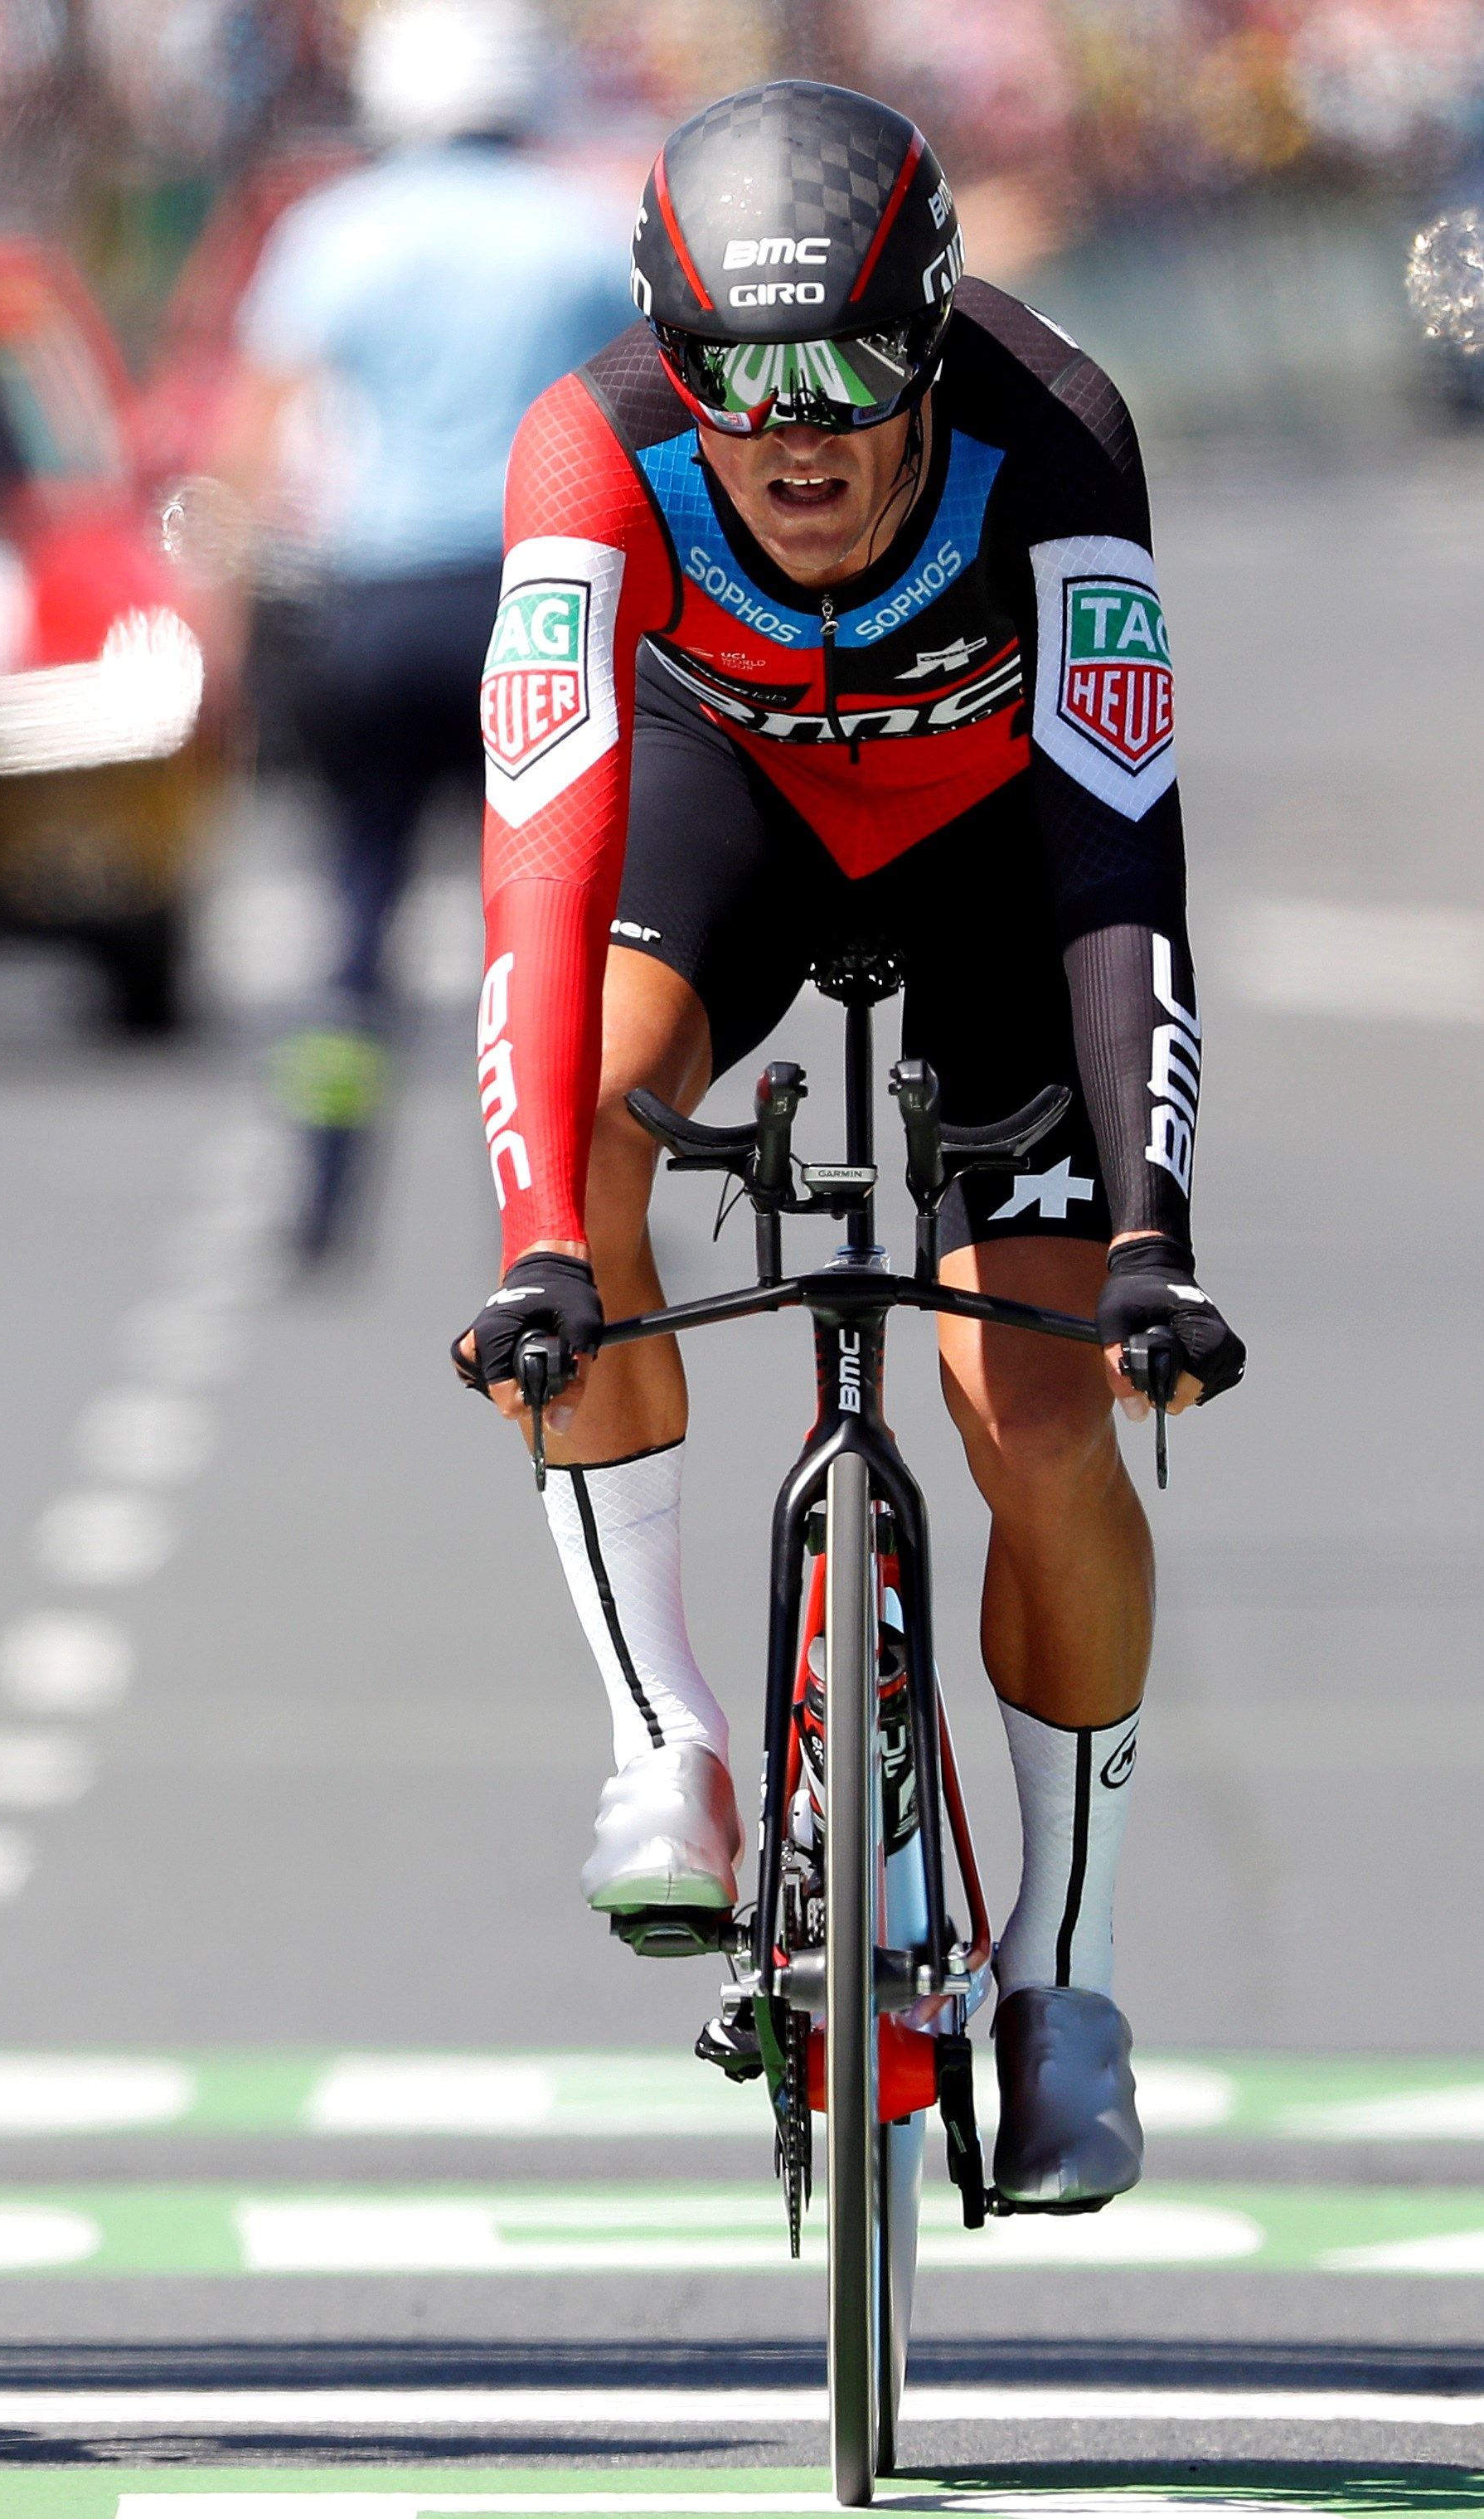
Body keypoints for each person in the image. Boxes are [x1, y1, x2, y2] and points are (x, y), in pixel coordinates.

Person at [452, 82, 1245, 2210]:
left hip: (1003, 862)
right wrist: (541, 1234)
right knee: (589, 1127)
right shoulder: (583, 451)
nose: (794, 433)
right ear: (668, 355)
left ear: (933, 334)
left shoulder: (1057, 429)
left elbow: (1120, 864)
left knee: (1046, 1417)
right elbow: (539, 854)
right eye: (740, 379)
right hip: (732, 820)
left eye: (849, 373)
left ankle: (1059, 1977)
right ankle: (667, 1736)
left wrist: (1156, 1226)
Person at [221, 0, 630, 1264]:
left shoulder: (335, 233)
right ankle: (567, 1202)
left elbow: (251, 443)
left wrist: (232, 632)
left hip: (375, 606)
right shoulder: (578, 232)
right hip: (536, 607)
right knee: (551, 916)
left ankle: (324, 1200)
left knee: (355, 916)